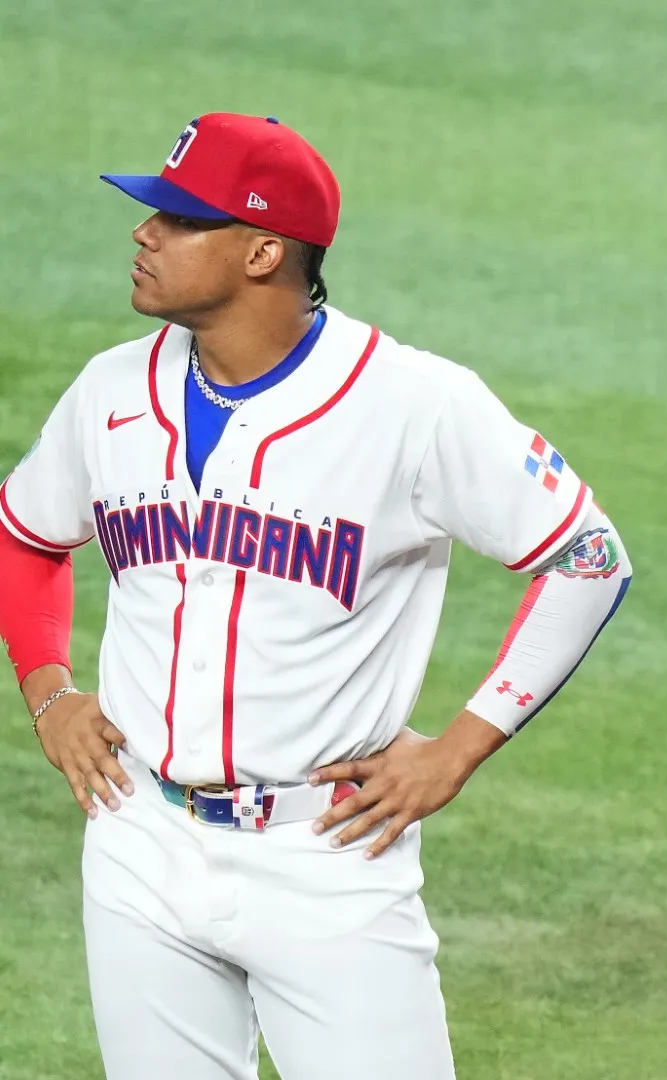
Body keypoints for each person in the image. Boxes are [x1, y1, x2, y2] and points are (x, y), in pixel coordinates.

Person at [0, 113, 630, 1079]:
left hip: (325, 858)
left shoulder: (416, 405)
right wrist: (49, 690)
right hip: (139, 842)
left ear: (262, 250)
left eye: (176, 218)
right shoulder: (110, 390)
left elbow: (588, 558)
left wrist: (460, 748)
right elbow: (25, 533)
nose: (143, 233)